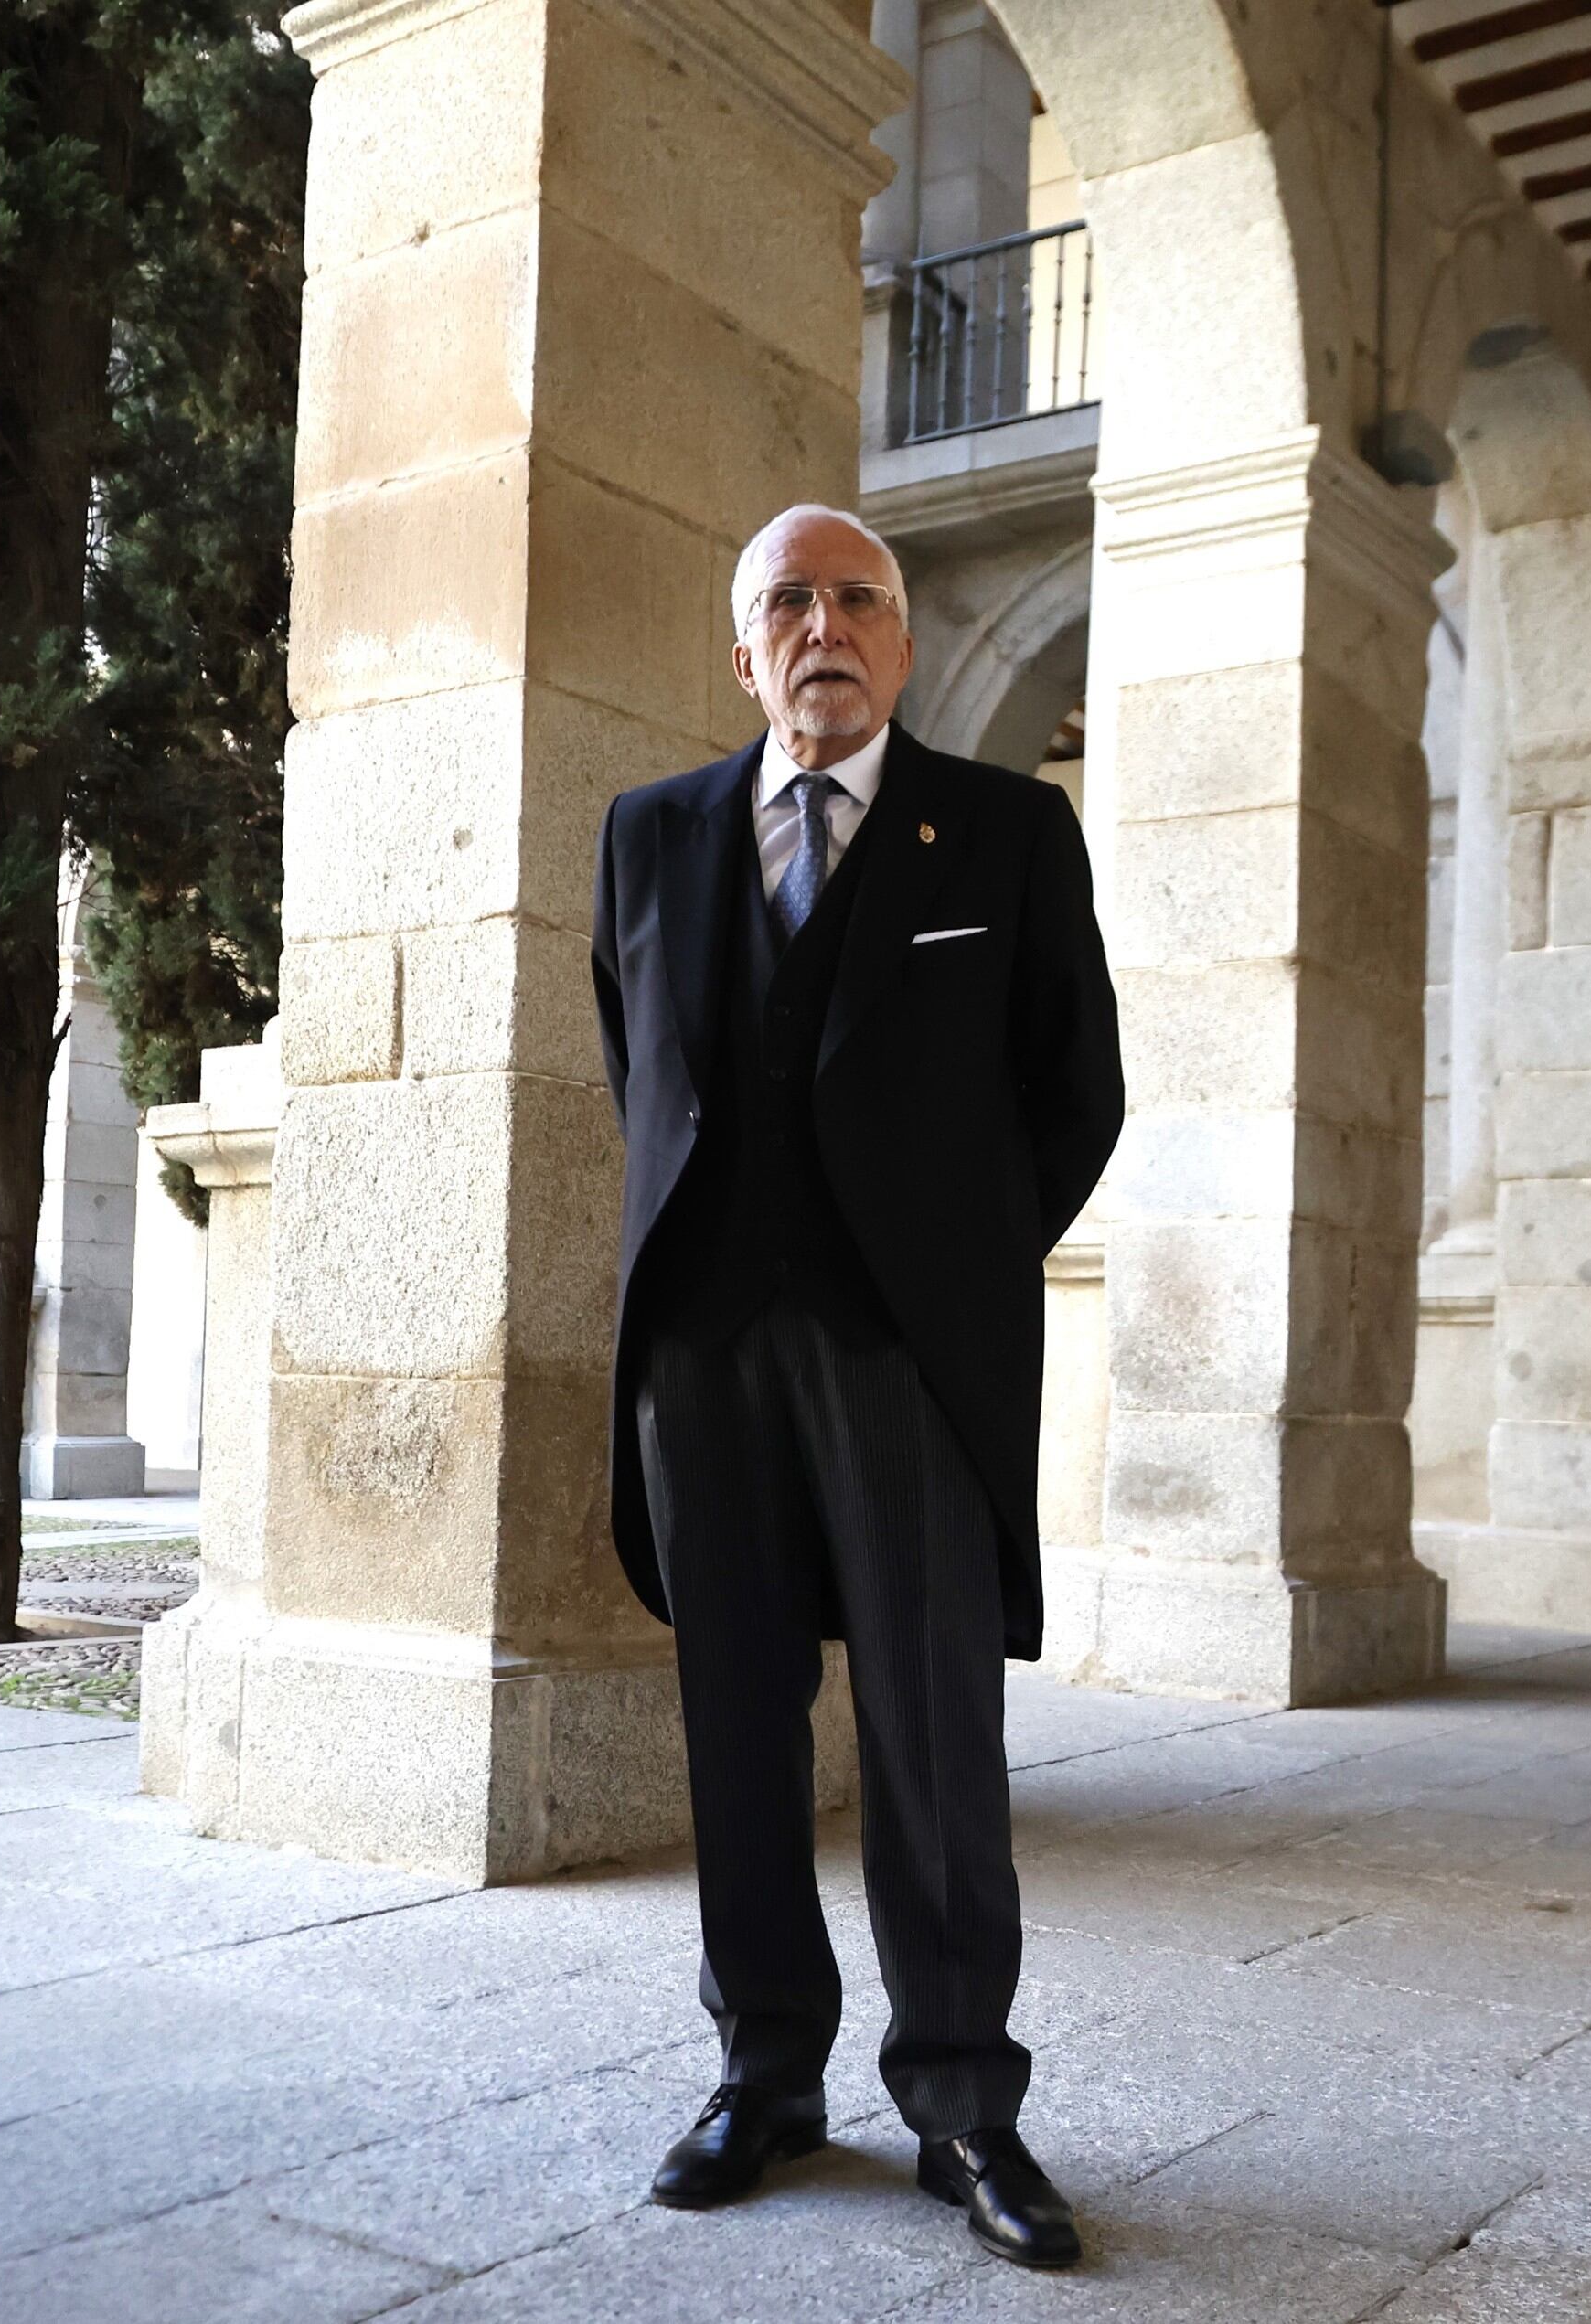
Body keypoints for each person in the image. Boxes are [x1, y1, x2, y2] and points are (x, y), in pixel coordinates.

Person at [588, 505, 1125, 2269]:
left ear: (902, 644)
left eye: (858, 600)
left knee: (930, 1736)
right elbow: (642, 1060)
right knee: (736, 1728)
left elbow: (1077, 1091)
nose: (824, 624)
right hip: (704, 1360)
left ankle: (964, 2102)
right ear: (741, 649)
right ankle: (765, 2076)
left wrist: (951, 1267)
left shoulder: (1008, 831)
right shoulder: (648, 836)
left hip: (908, 1363)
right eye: (788, 601)